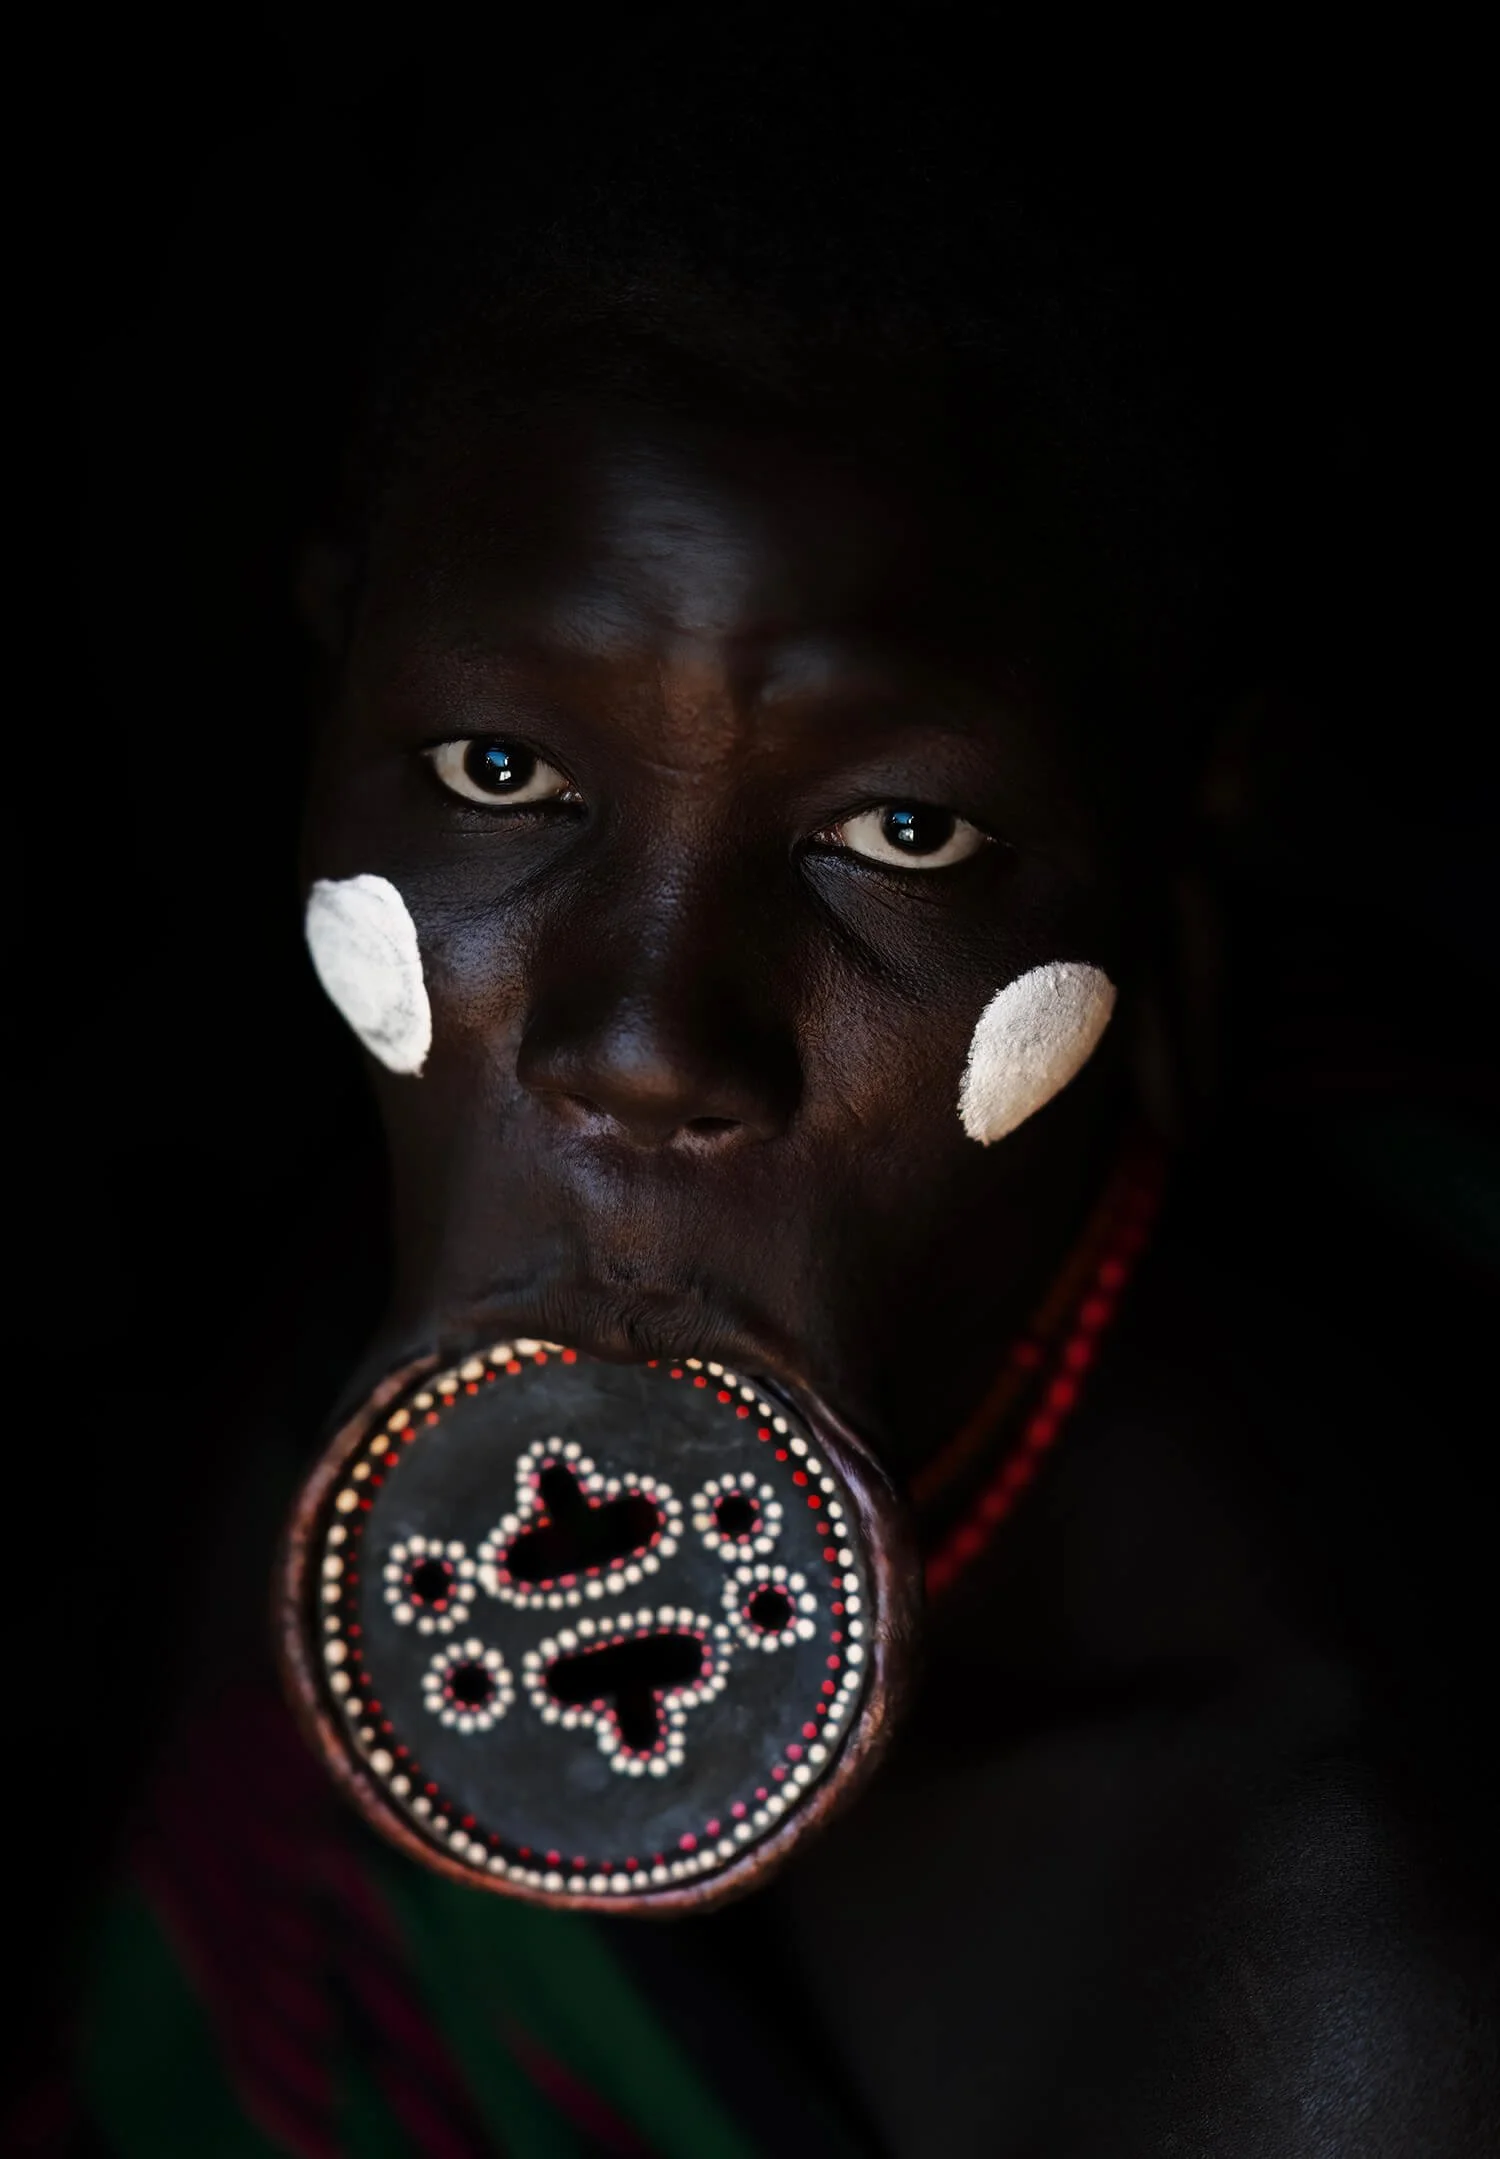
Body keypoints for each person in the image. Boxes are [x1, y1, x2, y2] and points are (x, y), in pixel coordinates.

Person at [58, 38, 1498, 2159]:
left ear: (1183, 858)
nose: (639, 1042)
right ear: (330, 685)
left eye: (904, 829)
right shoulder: (330, 1364)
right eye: (495, 774)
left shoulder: (1333, 1988)